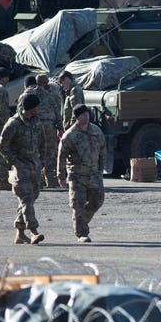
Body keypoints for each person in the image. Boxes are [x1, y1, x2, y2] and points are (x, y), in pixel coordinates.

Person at [0, 94, 45, 245]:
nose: (39, 108)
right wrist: (15, 162)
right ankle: (34, 232)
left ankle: (19, 233)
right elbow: (2, 146)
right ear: (31, 108)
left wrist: (41, 161)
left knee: (30, 199)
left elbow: (42, 142)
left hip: (34, 167)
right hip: (20, 168)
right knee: (27, 199)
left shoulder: (37, 122)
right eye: (37, 106)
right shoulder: (14, 124)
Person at [57, 104, 106, 243]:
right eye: (83, 114)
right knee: (78, 204)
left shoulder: (96, 131)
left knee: (98, 200)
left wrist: (100, 169)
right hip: (77, 175)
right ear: (77, 117)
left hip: (94, 174)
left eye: (87, 114)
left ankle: (81, 221)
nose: (86, 116)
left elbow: (103, 150)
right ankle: (82, 233)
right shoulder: (70, 135)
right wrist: (61, 176)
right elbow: (61, 156)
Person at [36, 73, 63, 188]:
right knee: (50, 153)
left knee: (37, 152)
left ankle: (39, 179)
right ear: (46, 83)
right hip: (48, 126)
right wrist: (60, 127)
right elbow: (57, 111)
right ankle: (50, 180)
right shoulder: (50, 94)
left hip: (35, 126)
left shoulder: (31, 93)